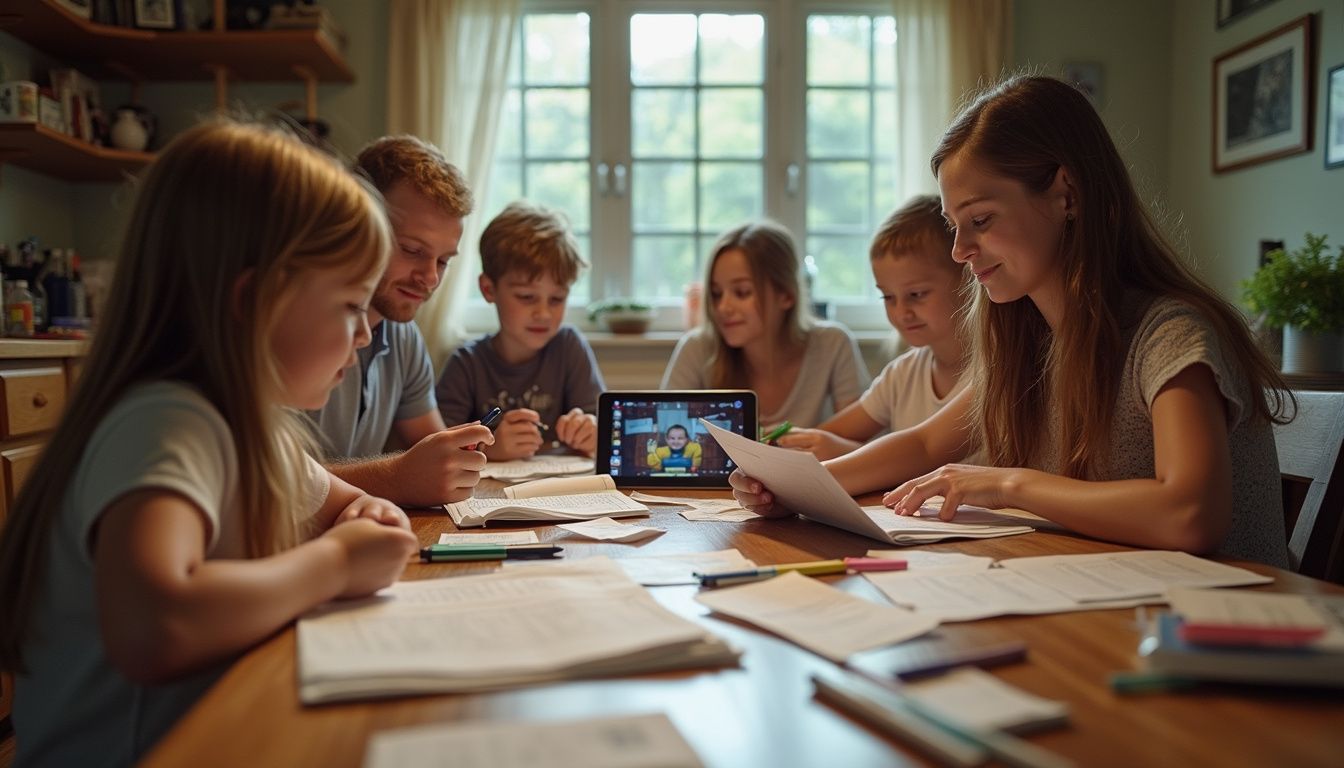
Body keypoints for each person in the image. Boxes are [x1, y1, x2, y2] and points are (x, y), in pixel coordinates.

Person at [732, 75, 1293, 567]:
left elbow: (1190, 513)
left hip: (1228, 631)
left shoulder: (1171, 335)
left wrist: (1005, 484)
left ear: (1065, 195)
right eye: (954, 225)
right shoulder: (1031, 340)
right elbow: (925, 444)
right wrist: (800, 490)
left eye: (979, 219)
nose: (959, 250)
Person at [0, 121, 421, 767]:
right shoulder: (167, 420)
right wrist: (336, 564)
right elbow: (156, 627)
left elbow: (344, 505)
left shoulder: (253, 424)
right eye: (348, 305)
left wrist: (365, 518)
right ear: (255, 301)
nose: (364, 335)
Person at [307, 135, 493, 506]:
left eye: (443, 261)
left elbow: (435, 452)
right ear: (357, 223)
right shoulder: (298, 326)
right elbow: (267, 483)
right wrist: (396, 478)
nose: (430, 278)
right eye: (412, 250)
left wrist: (459, 458)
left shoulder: (403, 336)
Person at [778, 195, 969, 460]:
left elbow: (923, 460)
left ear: (968, 279)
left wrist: (847, 451)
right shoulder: (902, 375)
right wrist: (774, 442)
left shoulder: (995, 373)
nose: (901, 312)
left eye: (917, 294)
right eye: (887, 297)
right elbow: (825, 437)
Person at [436, 201, 605, 460]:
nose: (543, 313)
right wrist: (490, 448)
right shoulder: (466, 364)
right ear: (489, 290)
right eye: (526, 297)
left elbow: (604, 431)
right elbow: (437, 450)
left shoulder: (569, 347)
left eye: (557, 299)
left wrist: (591, 433)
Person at [661, 220, 869, 429]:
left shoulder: (832, 344)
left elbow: (860, 440)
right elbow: (665, 431)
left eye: (742, 292)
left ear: (786, 295)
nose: (723, 307)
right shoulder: (697, 348)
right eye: (716, 294)